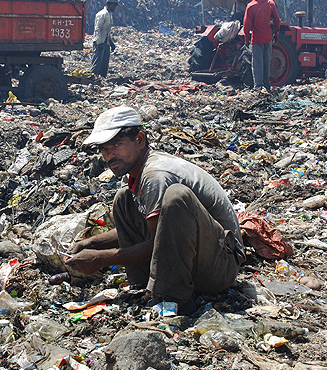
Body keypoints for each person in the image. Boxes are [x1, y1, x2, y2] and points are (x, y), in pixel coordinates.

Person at [67, 106, 246, 315]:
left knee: (177, 197)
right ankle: (144, 284)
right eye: (105, 149)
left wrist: (101, 258)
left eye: (117, 145)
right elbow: (159, 228)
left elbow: (157, 243)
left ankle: (173, 297)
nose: (110, 156)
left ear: (140, 140)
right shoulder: (137, 172)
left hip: (220, 266)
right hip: (197, 258)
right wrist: (92, 243)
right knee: (123, 199)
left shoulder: (155, 175)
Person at [243, 0, 281, 91]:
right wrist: (276, 33)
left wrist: (246, 39)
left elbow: (246, 26)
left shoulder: (251, 6)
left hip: (256, 39)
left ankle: (258, 86)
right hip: (268, 37)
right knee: (267, 61)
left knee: (257, 63)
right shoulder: (270, 4)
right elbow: (277, 20)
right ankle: (267, 85)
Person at [91, 0, 119, 77]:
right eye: (115, 6)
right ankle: (92, 79)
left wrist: (111, 43)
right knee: (97, 62)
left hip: (106, 42)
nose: (115, 8)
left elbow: (107, 31)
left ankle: (102, 79)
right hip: (100, 42)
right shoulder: (102, 14)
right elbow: (97, 29)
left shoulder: (109, 14)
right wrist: (99, 43)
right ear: (110, 5)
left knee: (104, 63)